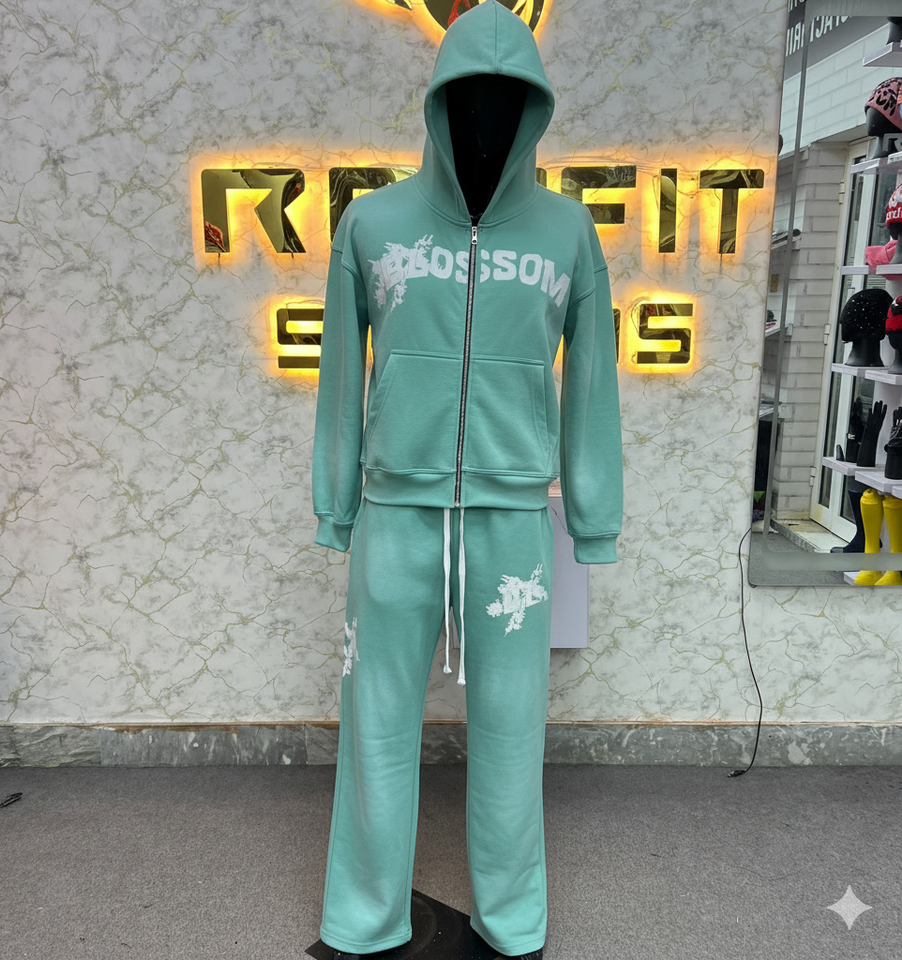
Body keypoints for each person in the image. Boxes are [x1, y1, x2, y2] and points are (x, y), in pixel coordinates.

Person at [311, 3, 623, 957]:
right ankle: (363, 921)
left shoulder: (568, 233)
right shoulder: (373, 222)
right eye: (469, 101)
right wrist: (337, 503)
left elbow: (592, 385)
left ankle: (513, 923)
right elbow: (339, 378)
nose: (486, 120)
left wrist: (594, 516)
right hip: (395, 517)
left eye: (506, 102)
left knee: (511, 732)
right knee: (375, 725)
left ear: (532, 113)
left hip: (511, 521)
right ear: (439, 107)